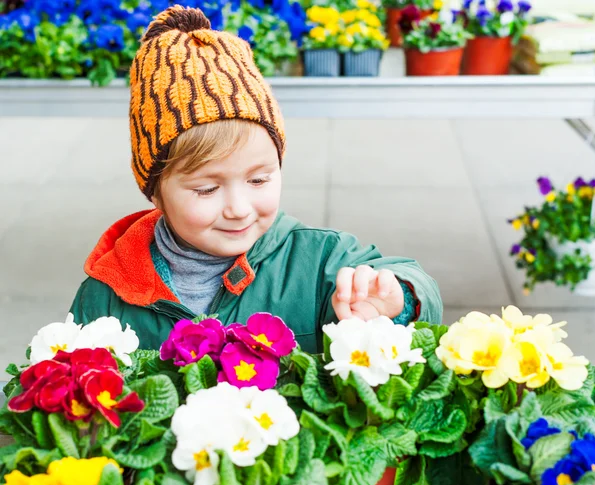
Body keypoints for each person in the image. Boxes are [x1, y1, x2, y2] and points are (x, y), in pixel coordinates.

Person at [69, 5, 443, 353]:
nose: (239, 208)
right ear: (156, 193)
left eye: (259, 180)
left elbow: (412, 281)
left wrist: (398, 301)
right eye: (207, 189)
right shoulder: (107, 293)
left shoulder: (317, 263)